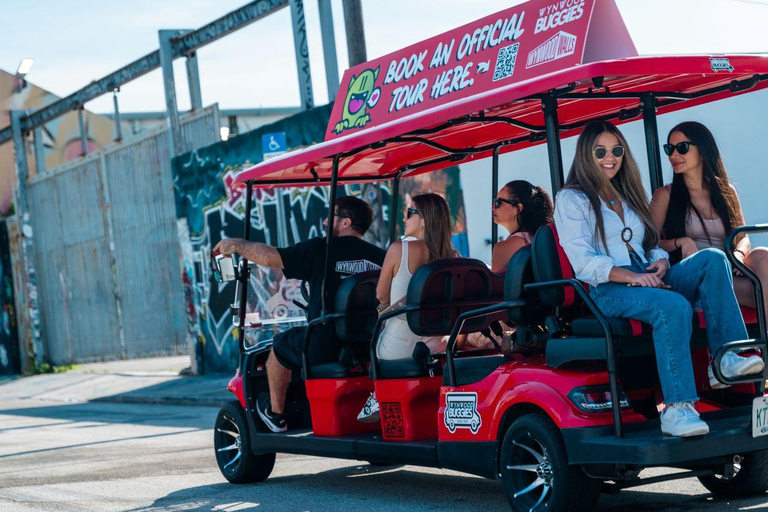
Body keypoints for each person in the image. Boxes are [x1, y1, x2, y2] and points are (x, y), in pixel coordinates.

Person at [554, 120, 763, 438]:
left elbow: (647, 243)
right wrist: (632, 277)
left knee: (712, 258)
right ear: (586, 155)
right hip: (608, 288)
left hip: (645, 274)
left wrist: (661, 262)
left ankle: (726, 358)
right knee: (673, 306)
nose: (610, 158)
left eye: (616, 151)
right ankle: (678, 408)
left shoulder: (625, 194)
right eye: (600, 152)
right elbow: (582, 262)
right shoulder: (572, 198)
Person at [214, 195, 386, 433]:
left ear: (346, 222)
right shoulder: (381, 256)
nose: (325, 222)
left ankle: (276, 415)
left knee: (280, 345)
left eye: (331, 216)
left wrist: (236, 245)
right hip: (368, 345)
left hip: (325, 345)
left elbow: (270, 257)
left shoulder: (321, 249)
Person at [649, 121, 768, 324]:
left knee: (763, 254)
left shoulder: (726, 191)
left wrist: (737, 256)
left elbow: (742, 236)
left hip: (729, 267)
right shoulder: (665, 195)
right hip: (694, 274)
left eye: (682, 148)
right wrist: (681, 241)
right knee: (757, 287)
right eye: (669, 149)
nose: (673, 155)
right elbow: (648, 243)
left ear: (703, 150)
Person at [357, 193, 458, 423]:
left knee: (378, 337)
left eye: (410, 213)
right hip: (438, 345)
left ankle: (377, 396)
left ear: (425, 220)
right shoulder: (453, 255)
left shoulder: (398, 249)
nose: (405, 218)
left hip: (397, 346)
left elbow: (381, 295)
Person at [491, 180, 554, 273]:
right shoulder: (544, 238)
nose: (492, 207)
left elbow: (495, 282)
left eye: (498, 202)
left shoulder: (503, 248)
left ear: (517, 208)